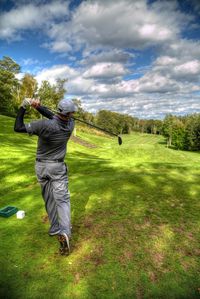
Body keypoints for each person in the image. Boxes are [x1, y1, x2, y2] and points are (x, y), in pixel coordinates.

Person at [14, 98, 77, 255]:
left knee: (48, 198)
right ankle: (64, 232)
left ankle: (55, 228)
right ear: (70, 114)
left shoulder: (43, 125)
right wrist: (39, 107)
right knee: (62, 200)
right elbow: (54, 116)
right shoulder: (71, 124)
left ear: (59, 111)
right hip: (57, 167)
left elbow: (18, 127)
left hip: (41, 167)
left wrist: (24, 106)